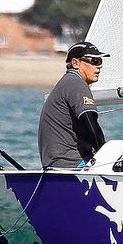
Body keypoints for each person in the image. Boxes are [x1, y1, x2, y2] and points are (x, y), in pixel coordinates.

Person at [38, 41, 109, 169]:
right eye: (94, 61)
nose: (99, 66)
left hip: (56, 163)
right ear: (76, 63)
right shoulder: (76, 84)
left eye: (100, 61)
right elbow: (91, 126)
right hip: (70, 163)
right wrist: (105, 155)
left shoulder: (67, 82)